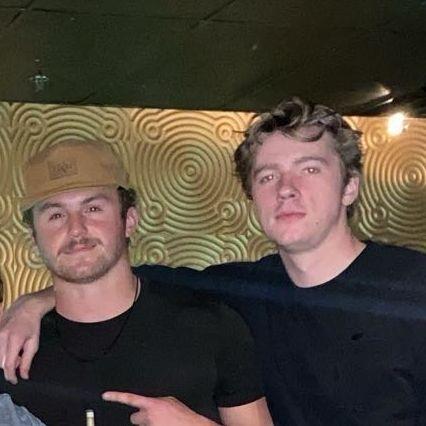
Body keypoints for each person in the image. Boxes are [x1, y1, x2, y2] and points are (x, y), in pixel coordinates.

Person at [2, 98, 426, 425]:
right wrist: (33, 303)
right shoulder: (242, 291)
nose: (286, 188)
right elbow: (104, 270)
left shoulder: (414, 289)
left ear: (350, 186)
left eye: (310, 169)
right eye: (267, 176)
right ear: (252, 195)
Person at [0, 139, 272, 426]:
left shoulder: (210, 326)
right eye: (56, 215)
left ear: (129, 220)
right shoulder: (10, 349)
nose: (76, 229)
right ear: (33, 238)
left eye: (93, 209)